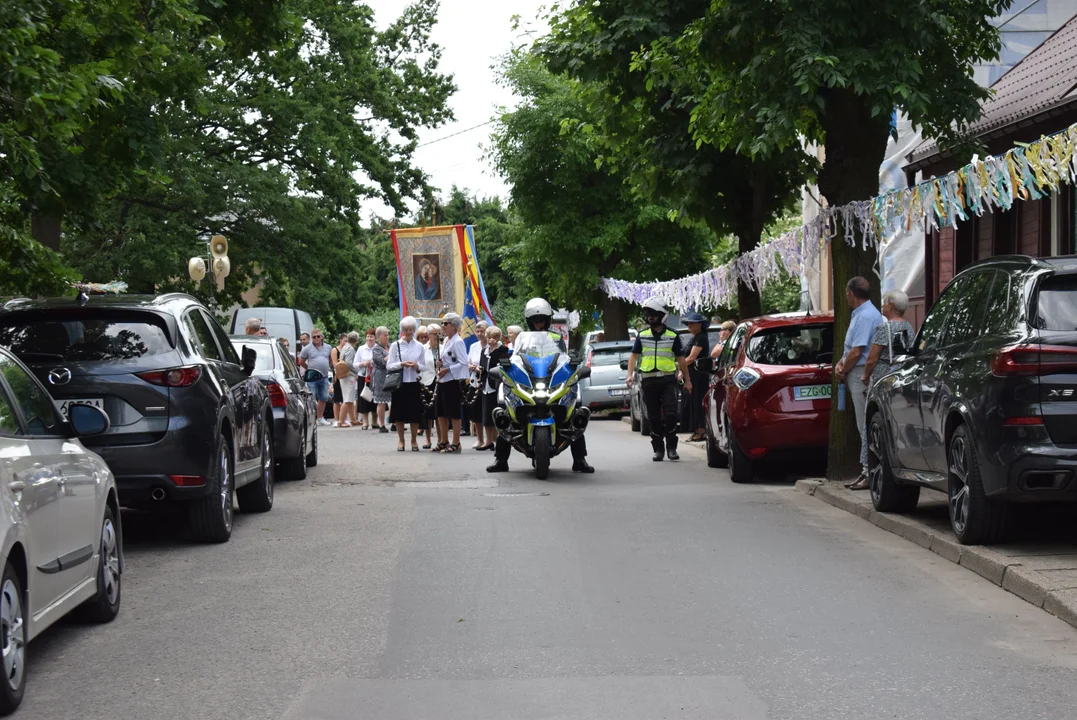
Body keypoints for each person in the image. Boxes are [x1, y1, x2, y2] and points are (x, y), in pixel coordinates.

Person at [487, 298, 594, 474]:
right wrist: (505, 367)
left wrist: (574, 364)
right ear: (530, 321)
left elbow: (563, 358)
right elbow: (515, 360)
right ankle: (501, 460)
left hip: (550, 382)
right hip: (531, 382)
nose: (539, 323)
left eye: (542, 319)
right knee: (506, 412)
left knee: (574, 413)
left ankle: (580, 459)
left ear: (548, 319)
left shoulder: (556, 338)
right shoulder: (523, 341)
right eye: (536, 320)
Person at [626, 298, 693, 462]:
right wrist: (629, 375)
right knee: (653, 417)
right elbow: (633, 357)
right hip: (648, 381)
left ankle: (671, 448)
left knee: (671, 414)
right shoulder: (642, 336)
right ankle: (658, 449)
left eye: (654, 314)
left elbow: (681, 360)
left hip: (668, 380)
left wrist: (688, 380)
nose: (650, 317)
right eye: (648, 314)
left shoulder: (672, 335)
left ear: (662, 315)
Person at [835, 276, 884, 490]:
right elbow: (851, 349)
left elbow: (857, 351)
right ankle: (868, 470)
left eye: (846, 293)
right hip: (855, 370)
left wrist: (843, 369)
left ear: (851, 293)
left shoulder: (865, 317)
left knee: (863, 424)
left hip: (860, 374)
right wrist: (841, 362)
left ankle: (868, 471)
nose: (846, 297)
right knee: (862, 423)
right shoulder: (865, 314)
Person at [387, 316, 427, 451]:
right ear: (402, 330)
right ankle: (401, 440)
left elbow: (423, 366)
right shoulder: (395, 345)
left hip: (414, 382)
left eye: (411, 329)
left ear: (414, 330)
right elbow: (389, 365)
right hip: (400, 383)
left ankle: (414, 440)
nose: (409, 332)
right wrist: (402, 364)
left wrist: (416, 365)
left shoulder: (420, 346)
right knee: (399, 413)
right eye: (406, 330)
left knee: (414, 413)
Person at [434, 314, 469, 452]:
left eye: (445, 323)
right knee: (441, 412)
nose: (442, 326)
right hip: (442, 380)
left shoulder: (458, 342)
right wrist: (439, 364)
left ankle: (456, 443)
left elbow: (463, 362)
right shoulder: (447, 341)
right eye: (442, 323)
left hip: (452, 381)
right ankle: (443, 440)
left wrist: (447, 369)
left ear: (453, 326)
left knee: (454, 413)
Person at [682, 312, 710, 442]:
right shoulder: (695, 338)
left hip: (698, 375)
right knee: (692, 402)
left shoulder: (701, 338)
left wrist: (679, 367)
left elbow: (692, 358)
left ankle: (701, 430)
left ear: (700, 324)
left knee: (698, 401)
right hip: (692, 374)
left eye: (692, 323)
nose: (689, 325)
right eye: (688, 323)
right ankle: (696, 430)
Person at [480, 326, 508, 452]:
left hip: (497, 386)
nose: (491, 340)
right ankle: (488, 441)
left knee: (497, 413)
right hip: (486, 385)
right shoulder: (484, 351)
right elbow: (483, 365)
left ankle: (498, 439)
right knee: (486, 414)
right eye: (489, 337)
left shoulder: (503, 350)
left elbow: (504, 368)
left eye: (494, 338)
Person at [298, 329, 332, 425]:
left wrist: (326, 366)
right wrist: (309, 368)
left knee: (323, 397)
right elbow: (301, 361)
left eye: (318, 336)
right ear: (311, 338)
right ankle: (311, 418)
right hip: (312, 377)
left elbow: (330, 359)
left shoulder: (328, 347)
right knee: (311, 398)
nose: (316, 338)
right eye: (314, 337)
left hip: (324, 376)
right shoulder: (307, 348)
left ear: (322, 337)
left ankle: (320, 418)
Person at [466, 320, 489, 449]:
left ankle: (492, 439)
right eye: (478, 331)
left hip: (488, 383)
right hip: (475, 382)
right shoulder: (474, 346)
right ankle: (480, 439)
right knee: (476, 412)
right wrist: (472, 367)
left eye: (482, 331)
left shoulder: (493, 345)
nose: (480, 334)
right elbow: (468, 363)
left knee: (488, 412)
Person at [420, 323, 441, 449]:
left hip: (440, 381)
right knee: (427, 412)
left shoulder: (443, 348)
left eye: (439, 333)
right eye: (435, 334)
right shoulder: (422, 348)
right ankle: (427, 439)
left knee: (439, 412)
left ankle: (440, 439)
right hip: (426, 382)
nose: (438, 336)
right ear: (429, 335)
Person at [337, 332, 360, 428]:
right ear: (356, 340)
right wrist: (356, 371)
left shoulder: (345, 347)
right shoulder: (350, 349)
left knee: (349, 398)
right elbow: (349, 363)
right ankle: (341, 421)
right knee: (347, 399)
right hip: (349, 375)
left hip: (343, 375)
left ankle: (353, 419)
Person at [370, 327, 391, 432]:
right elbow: (381, 362)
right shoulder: (376, 349)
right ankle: (382, 424)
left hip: (391, 376)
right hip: (380, 376)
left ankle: (394, 422)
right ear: (378, 337)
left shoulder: (391, 346)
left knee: (393, 400)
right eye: (385, 335)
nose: (387, 337)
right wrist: (390, 357)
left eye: (388, 335)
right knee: (381, 401)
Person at [354, 328, 376, 430]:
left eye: (371, 336)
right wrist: (363, 364)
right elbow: (355, 364)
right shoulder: (361, 348)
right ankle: (365, 422)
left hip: (375, 376)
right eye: (368, 336)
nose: (369, 338)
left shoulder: (378, 348)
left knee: (375, 399)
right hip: (363, 376)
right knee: (363, 398)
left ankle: (375, 422)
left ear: (375, 338)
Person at [330, 333, 348, 427]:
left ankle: (343, 418)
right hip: (338, 374)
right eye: (345, 341)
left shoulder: (347, 350)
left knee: (345, 398)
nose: (346, 343)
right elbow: (334, 364)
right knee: (337, 399)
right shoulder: (335, 350)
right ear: (340, 340)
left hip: (346, 375)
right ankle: (337, 419)